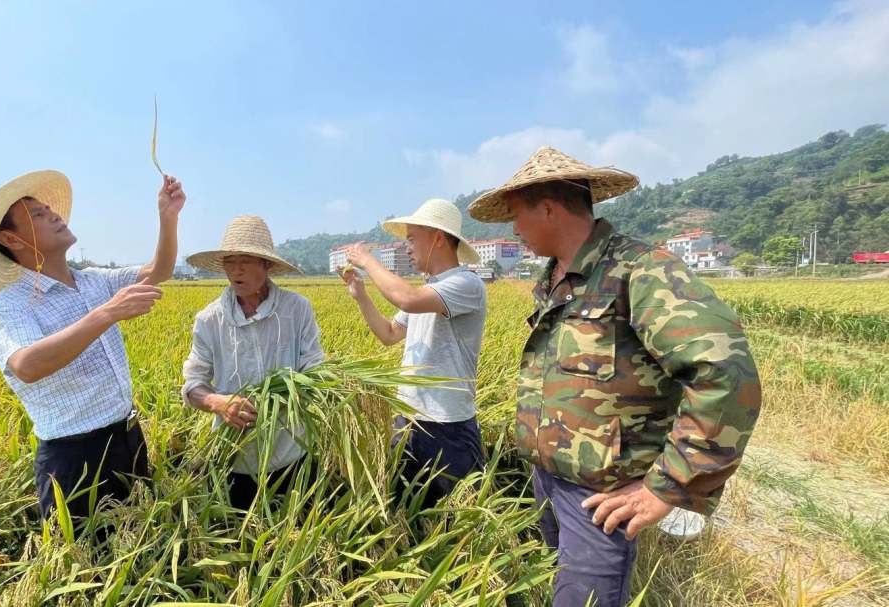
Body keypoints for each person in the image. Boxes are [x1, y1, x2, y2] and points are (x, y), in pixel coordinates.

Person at [467, 146, 762, 607]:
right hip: (546, 480)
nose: (514, 230)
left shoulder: (640, 272)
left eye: (517, 216)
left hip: (599, 499)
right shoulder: (557, 280)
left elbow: (726, 374)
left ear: (547, 209)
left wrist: (669, 485)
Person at [0, 169, 186, 521]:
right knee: (89, 565)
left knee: (141, 544)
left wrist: (168, 217)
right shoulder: (9, 306)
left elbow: (157, 271)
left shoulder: (93, 281)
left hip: (128, 438)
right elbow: (28, 365)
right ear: (11, 239)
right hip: (74, 457)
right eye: (38, 215)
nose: (53, 214)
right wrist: (107, 314)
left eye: (48, 209)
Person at [339, 199, 486, 509]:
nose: (406, 247)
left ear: (437, 238)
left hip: (448, 429)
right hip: (407, 422)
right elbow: (389, 334)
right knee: (407, 515)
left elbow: (406, 298)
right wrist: (361, 296)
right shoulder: (429, 289)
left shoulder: (465, 283)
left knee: (454, 525)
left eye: (411, 238)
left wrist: (367, 259)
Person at [181, 215, 324, 510]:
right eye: (229, 262)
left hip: (292, 453)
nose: (236, 270)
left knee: (295, 534)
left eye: (245, 260)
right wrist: (219, 403)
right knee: (238, 542)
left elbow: (314, 368)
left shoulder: (297, 310)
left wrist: (295, 394)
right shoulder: (209, 320)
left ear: (267, 265)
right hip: (235, 458)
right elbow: (193, 385)